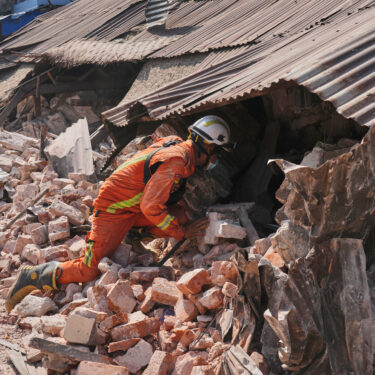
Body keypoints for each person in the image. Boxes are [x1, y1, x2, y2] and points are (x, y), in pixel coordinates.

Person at [6, 115, 231, 313]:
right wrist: (181, 233)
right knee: (87, 270)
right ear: (208, 147)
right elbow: (151, 207)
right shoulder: (176, 161)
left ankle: (132, 235)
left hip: (131, 207)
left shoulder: (178, 148)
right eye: (217, 153)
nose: (216, 160)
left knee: (179, 214)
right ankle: (33, 276)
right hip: (113, 209)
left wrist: (178, 223)